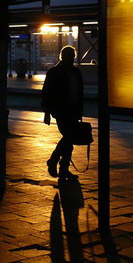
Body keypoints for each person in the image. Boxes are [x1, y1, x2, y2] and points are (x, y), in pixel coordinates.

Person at [41, 45, 84, 180]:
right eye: (69, 56)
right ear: (63, 57)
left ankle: (63, 168)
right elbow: (47, 93)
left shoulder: (71, 72)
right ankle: (54, 161)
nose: (71, 59)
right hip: (62, 111)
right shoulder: (56, 72)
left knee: (69, 140)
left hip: (72, 110)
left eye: (72, 56)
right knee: (69, 137)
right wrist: (47, 113)